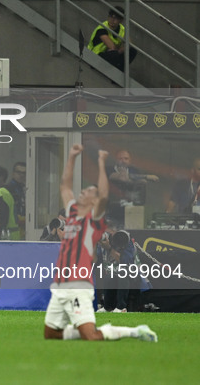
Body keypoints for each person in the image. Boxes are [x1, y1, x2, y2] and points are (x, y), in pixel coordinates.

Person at [44, 144, 157, 342]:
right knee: (51, 334)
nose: (82, 192)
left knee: (91, 336)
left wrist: (102, 162)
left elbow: (104, 194)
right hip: (61, 282)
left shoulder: (93, 220)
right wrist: (71, 157)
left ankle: (134, 331)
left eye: (87, 191)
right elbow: (65, 185)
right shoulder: (71, 212)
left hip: (79, 283)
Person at [106, 149, 158, 226]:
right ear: (116, 160)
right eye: (120, 158)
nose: (123, 161)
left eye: (126, 158)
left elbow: (142, 182)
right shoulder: (108, 169)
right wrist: (147, 176)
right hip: (111, 211)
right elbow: (117, 177)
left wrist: (129, 179)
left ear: (130, 160)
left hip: (131, 211)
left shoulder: (134, 170)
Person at [87, 6, 137, 72]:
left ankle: (120, 71)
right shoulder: (102, 28)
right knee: (114, 54)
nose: (112, 20)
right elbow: (112, 46)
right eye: (111, 17)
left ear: (121, 20)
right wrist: (121, 49)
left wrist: (120, 50)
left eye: (116, 18)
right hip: (95, 56)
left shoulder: (122, 29)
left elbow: (129, 44)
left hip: (111, 54)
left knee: (132, 51)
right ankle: (118, 71)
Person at [6, 162, 26, 239]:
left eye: (24, 173)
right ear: (13, 173)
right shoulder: (9, 188)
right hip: (12, 230)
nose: (21, 175)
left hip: (23, 230)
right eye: (19, 172)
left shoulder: (25, 188)